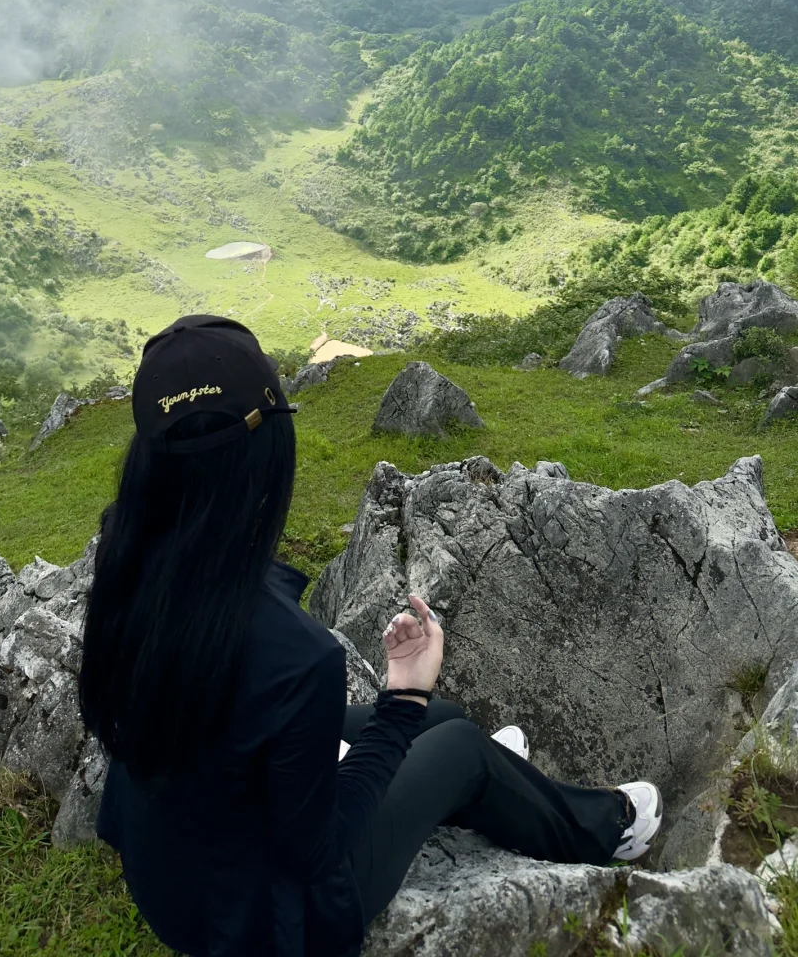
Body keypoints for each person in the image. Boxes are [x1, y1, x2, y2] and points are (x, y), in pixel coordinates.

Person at [79, 315, 663, 957]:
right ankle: (601, 829)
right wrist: (403, 698)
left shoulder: (130, 555)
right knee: (458, 742)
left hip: (171, 874)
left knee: (444, 718)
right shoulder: (296, 658)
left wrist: (412, 711)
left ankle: (489, 779)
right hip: (259, 920)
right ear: (267, 458)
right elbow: (318, 851)